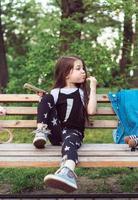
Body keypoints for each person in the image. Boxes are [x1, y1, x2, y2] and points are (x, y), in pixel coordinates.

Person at [33, 56, 97, 192]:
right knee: (46, 98)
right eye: (78, 69)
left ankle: (67, 171)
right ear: (66, 74)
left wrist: (93, 88)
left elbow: (91, 111)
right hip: (55, 133)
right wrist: (43, 100)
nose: (83, 71)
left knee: (69, 140)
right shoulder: (56, 93)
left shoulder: (80, 92)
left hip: (73, 134)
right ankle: (41, 131)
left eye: (83, 68)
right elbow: (48, 109)